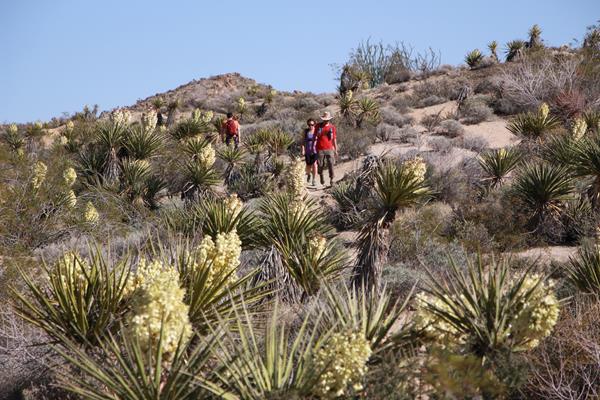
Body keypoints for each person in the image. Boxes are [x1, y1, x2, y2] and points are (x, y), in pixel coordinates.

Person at [315, 111, 338, 187]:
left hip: (329, 148)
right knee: (320, 164)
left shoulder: (332, 127)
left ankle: (332, 179)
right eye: (325, 119)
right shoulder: (318, 126)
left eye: (327, 119)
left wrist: (336, 149)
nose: (326, 121)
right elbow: (315, 136)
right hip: (319, 148)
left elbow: (334, 139)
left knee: (331, 163)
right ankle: (321, 175)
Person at [301, 118, 318, 186]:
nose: (310, 126)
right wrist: (303, 150)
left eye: (312, 124)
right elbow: (302, 142)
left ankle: (314, 180)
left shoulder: (316, 131)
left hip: (315, 151)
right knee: (308, 166)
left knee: (314, 164)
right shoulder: (305, 132)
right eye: (309, 125)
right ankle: (309, 174)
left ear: (314, 124)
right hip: (308, 151)